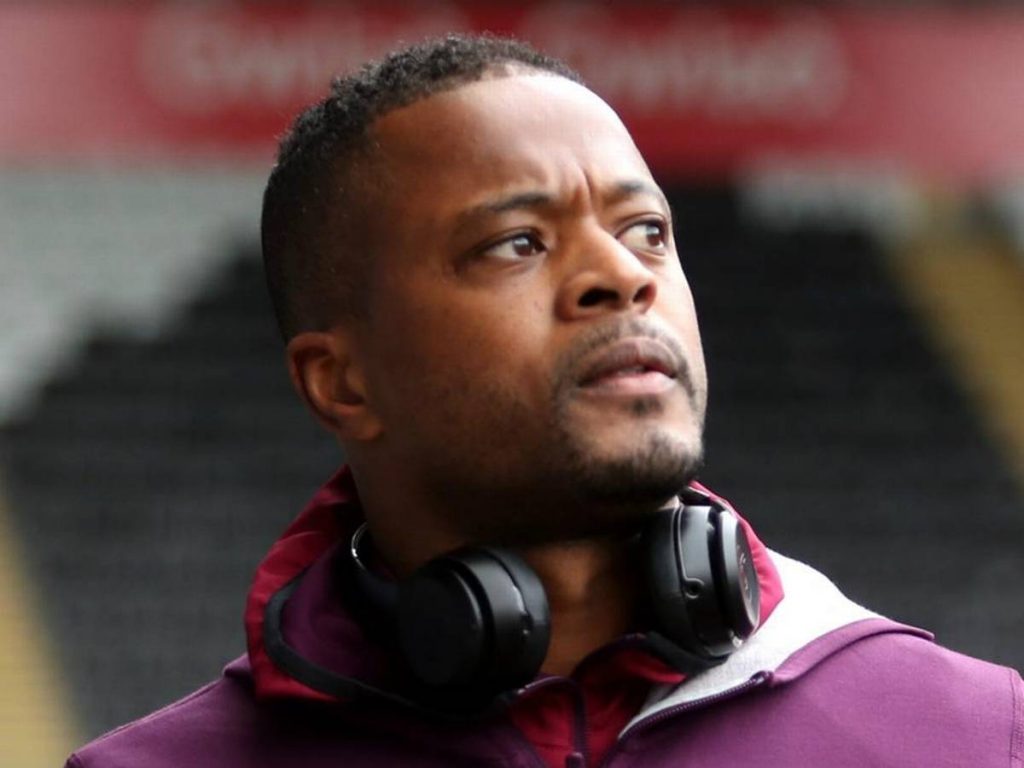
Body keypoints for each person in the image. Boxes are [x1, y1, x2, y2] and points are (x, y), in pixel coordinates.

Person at [67, 34, 1022, 768]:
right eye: (516, 244)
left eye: (646, 230)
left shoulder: (977, 736)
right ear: (341, 382)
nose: (621, 275)